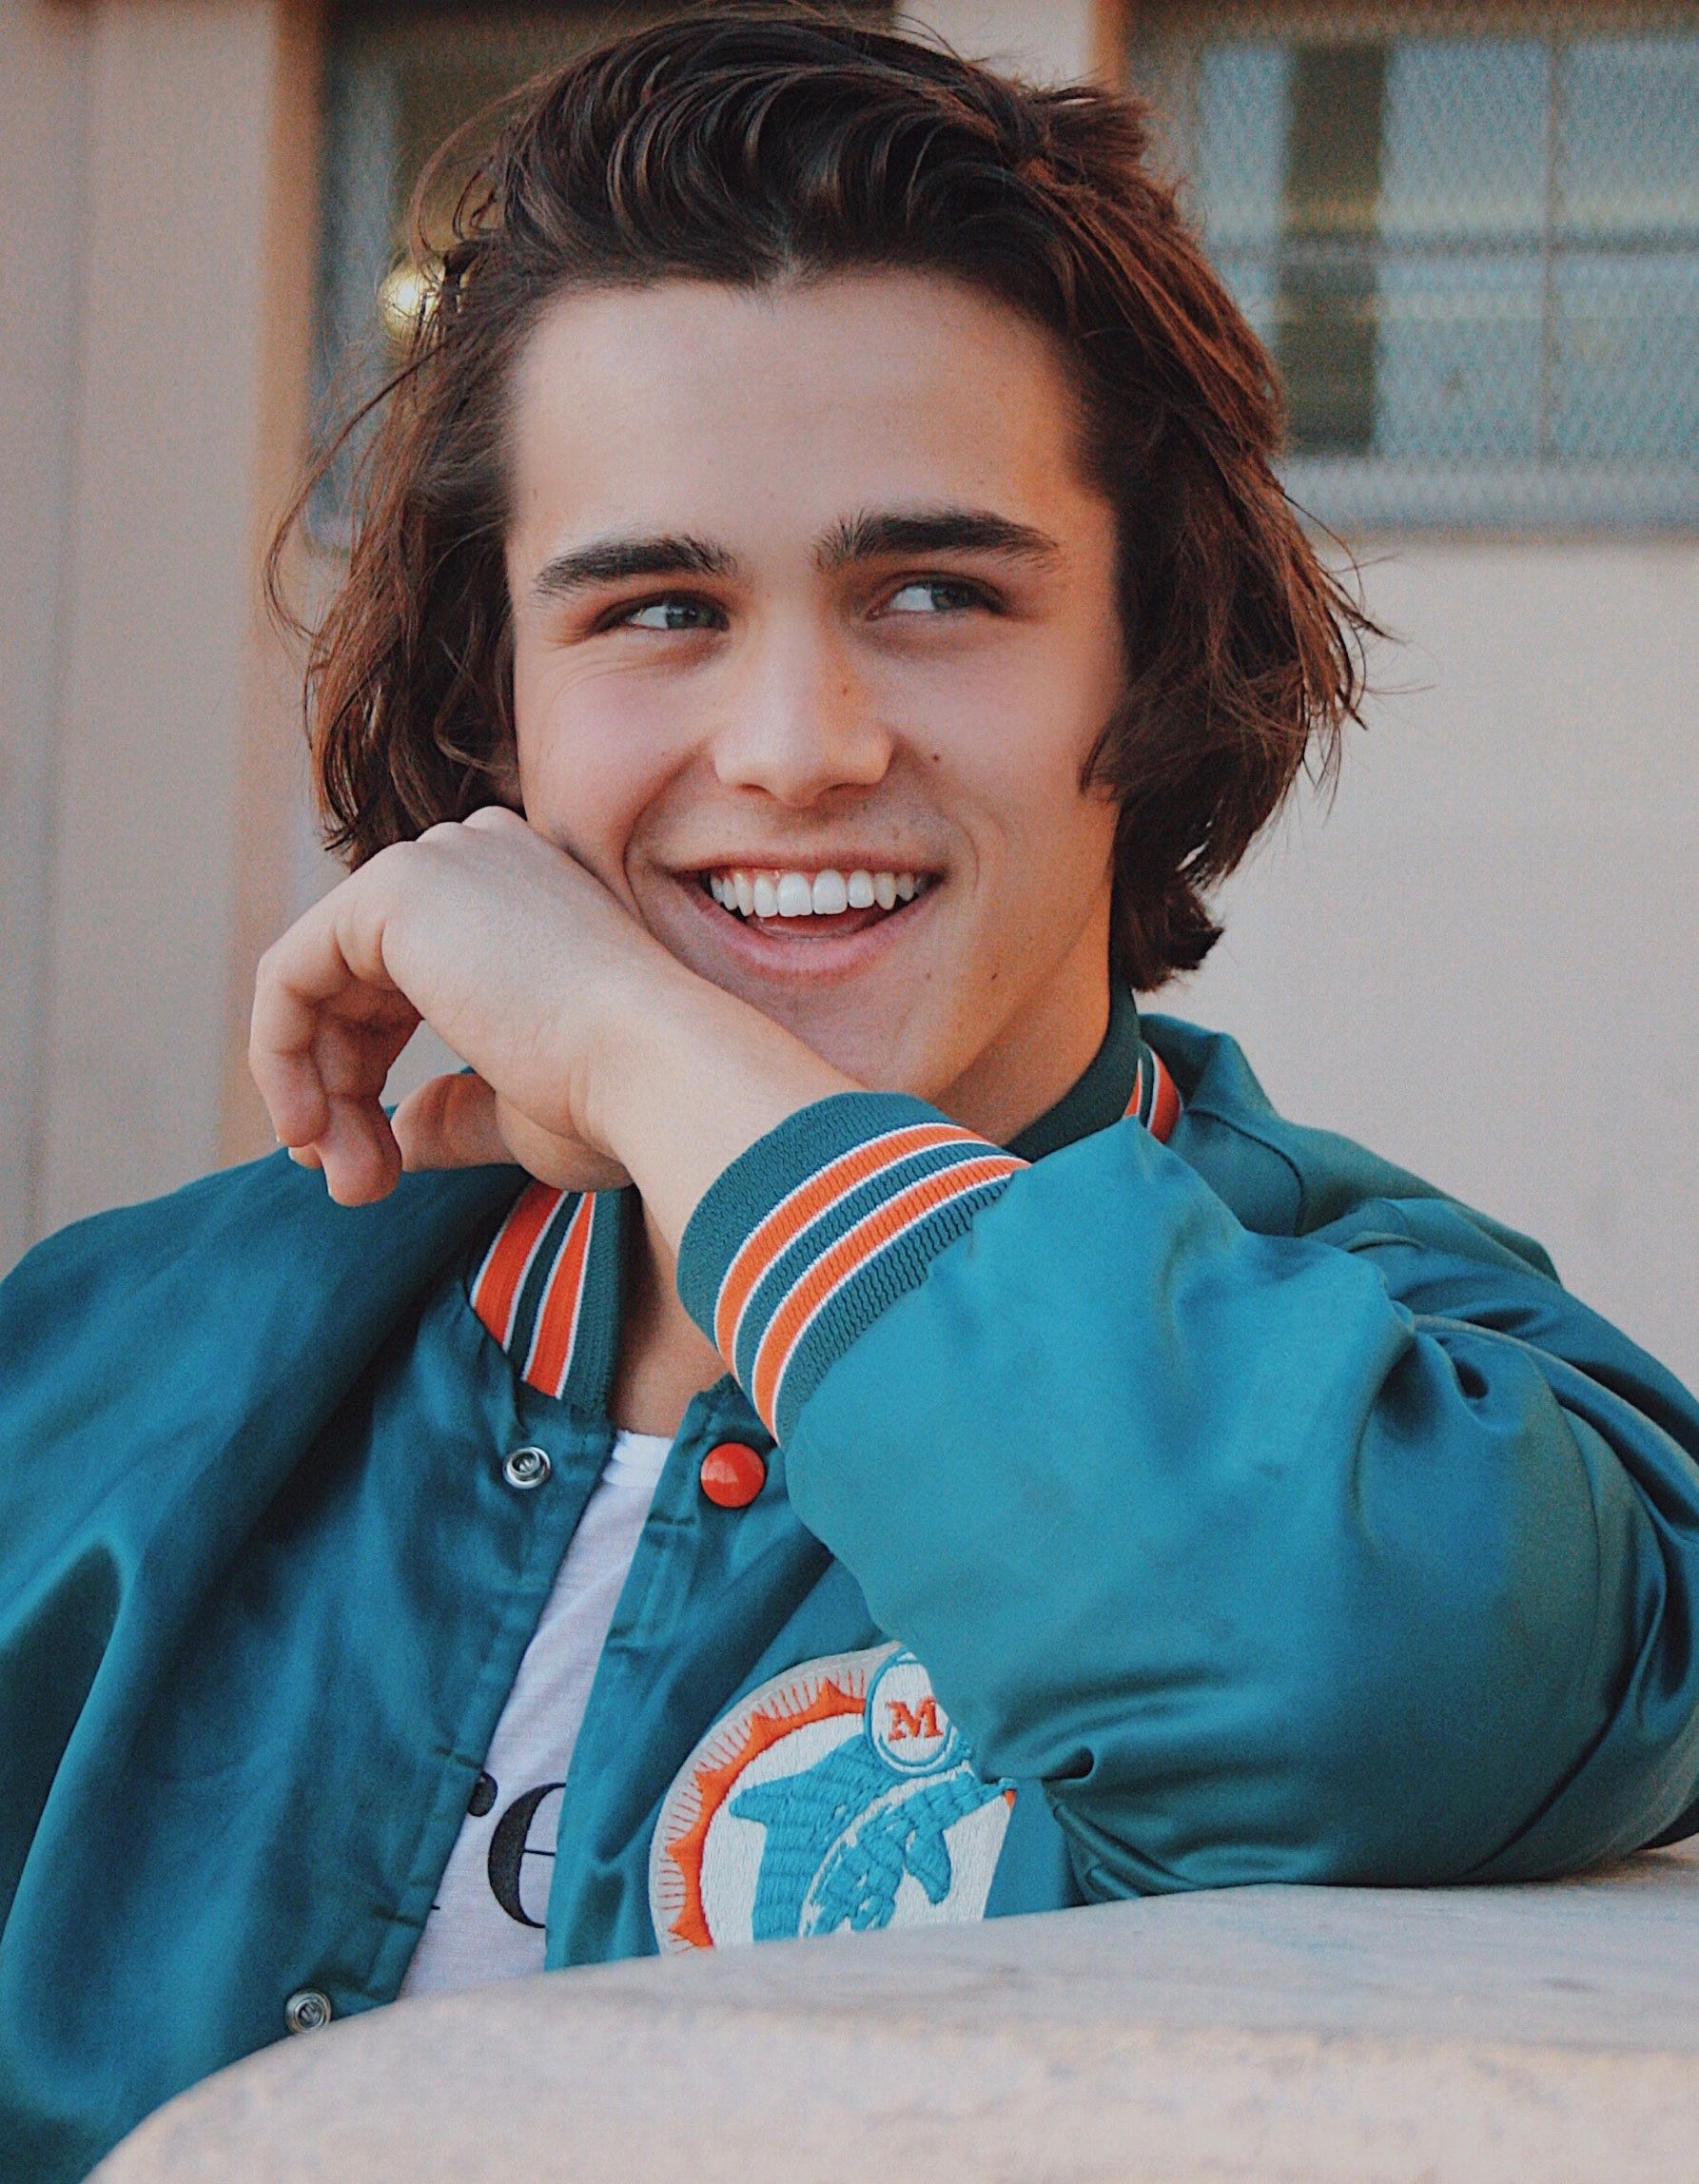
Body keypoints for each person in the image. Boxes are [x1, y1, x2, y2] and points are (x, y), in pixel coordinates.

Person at [4, 10, 1698, 2178]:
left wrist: (637, 1046)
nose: (796, 740)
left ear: (1148, 648)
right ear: (490, 689)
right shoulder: (94, 1368)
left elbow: (1332, 1680)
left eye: (930, 590)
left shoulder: (1456, 1395)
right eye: (655, 607)